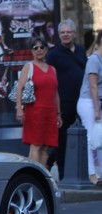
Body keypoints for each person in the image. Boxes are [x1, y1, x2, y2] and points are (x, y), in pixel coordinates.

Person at [46, 19, 87, 179]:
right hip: (63, 102)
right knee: (62, 139)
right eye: (62, 32)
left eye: (68, 32)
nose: (65, 35)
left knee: (84, 136)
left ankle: (51, 161)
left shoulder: (81, 50)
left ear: (74, 34)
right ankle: (63, 175)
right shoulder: (54, 54)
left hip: (82, 101)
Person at [16, 36, 61, 166]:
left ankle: (42, 177)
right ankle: (33, 177)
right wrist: (19, 109)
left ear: (47, 49)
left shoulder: (52, 69)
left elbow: (55, 93)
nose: (39, 50)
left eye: (42, 47)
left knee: (46, 146)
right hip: (34, 111)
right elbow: (19, 89)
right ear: (31, 50)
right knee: (35, 145)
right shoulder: (29, 67)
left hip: (50, 112)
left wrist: (58, 114)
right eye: (35, 47)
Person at [76, 30, 102, 186]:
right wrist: (97, 110)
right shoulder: (94, 60)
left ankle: (99, 172)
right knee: (91, 139)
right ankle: (91, 173)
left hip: (98, 102)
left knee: (99, 139)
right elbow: (93, 86)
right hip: (88, 103)